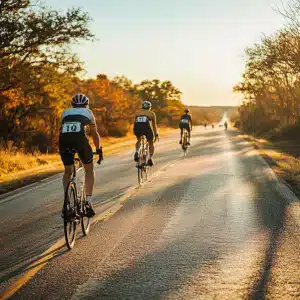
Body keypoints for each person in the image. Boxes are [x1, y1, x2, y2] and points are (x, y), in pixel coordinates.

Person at [59, 94, 102, 218]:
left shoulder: (64, 113)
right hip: (81, 142)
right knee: (89, 170)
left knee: (67, 172)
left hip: (64, 142)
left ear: (72, 104)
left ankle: (66, 202)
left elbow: (62, 131)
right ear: (86, 104)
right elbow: (94, 134)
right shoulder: (88, 112)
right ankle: (88, 201)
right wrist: (98, 149)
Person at [133, 101, 159, 166]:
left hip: (137, 128)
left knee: (139, 140)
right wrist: (156, 134)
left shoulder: (137, 113)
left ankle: (136, 151)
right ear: (149, 107)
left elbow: (136, 122)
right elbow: (154, 125)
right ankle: (149, 158)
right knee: (150, 142)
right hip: (146, 128)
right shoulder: (152, 113)